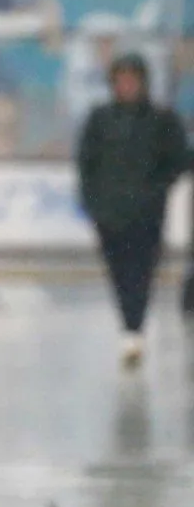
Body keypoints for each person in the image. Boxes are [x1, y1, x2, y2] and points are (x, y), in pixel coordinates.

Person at [78, 53, 188, 367]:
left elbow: (179, 159)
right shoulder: (100, 119)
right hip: (109, 213)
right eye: (121, 80)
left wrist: (157, 188)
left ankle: (133, 330)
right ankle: (129, 325)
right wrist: (91, 201)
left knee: (141, 272)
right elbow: (87, 162)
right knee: (118, 271)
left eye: (132, 79)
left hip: (147, 214)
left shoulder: (161, 120)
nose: (126, 86)